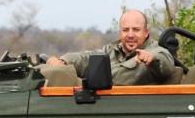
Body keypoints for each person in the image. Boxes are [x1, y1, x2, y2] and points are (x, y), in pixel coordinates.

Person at [46, 9, 176, 86]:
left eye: (136, 30)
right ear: (120, 32)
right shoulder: (112, 50)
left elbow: (165, 62)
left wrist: (153, 59)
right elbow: (87, 58)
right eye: (126, 30)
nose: (130, 35)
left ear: (146, 32)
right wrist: (64, 61)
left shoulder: (154, 51)